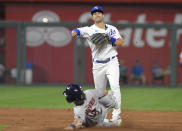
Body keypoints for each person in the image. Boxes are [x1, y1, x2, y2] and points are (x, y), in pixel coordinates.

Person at [71, 6, 125, 124]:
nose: (97, 14)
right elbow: (76, 31)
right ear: (92, 17)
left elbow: (121, 43)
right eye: (94, 13)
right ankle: (103, 117)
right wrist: (74, 33)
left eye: (99, 12)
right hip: (97, 65)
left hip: (112, 61)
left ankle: (116, 115)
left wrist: (109, 38)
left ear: (103, 15)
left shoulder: (112, 29)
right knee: (100, 92)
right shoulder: (89, 30)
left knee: (115, 87)